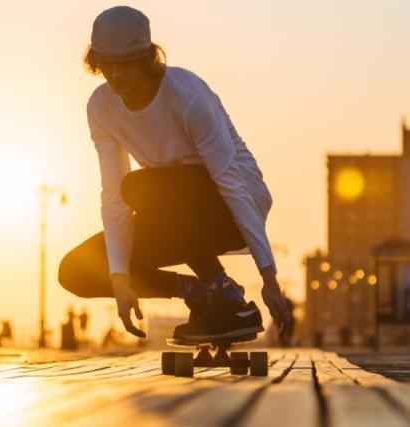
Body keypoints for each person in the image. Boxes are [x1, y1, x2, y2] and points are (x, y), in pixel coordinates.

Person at [58, 6, 292, 343]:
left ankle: (225, 295)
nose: (116, 75)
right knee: (78, 270)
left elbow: (231, 182)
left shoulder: (187, 95)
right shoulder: (101, 107)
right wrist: (121, 281)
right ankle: (200, 293)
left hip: (233, 206)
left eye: (125, 64)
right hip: (170, 214)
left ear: (146, 59)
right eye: (107, 64)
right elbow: (113, 196)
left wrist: (268, 276)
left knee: (141, 187)